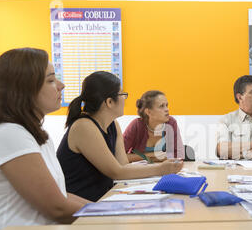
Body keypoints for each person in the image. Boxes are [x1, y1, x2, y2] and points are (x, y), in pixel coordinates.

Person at [0, 48, 89, 230]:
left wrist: (107, 209)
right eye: (50, 80)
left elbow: (61, 196)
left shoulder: (36, 135)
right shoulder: (8, 133)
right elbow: (56, 207)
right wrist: (112, 215)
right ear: (23, 89)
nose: (61, 85)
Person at [56, 72, 183, 202]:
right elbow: (117, 172)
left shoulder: (113, 124)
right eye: (122, 94)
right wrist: (160, 169)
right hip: (79, 205)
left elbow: (123, 165)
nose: (125, 99)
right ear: (110, 102)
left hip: (101, 199)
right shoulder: (84, 126)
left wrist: (162, 168)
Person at [123, 90, 184, 163]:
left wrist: (142, 156)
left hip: (164, 171)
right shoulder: (136, 125)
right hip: (139, 171)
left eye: (166, 105)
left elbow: (179, 155)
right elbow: (119, 156)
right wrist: (153, 155)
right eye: (161, 106)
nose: (167, 109)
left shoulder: (171, 123)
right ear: (148, 112)